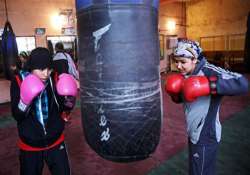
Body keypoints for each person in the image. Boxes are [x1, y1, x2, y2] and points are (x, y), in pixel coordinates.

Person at [165, 38, 249, 175]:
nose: (178, 66)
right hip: (194, 131)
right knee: (197, 170)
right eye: (176, 61)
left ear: (194, 59)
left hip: (206, 135)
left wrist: (208, 85)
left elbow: (242, 83)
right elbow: (185, 97)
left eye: (183, 62)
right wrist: (175, 95)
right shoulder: (186, 74)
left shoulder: (209, 71)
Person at [10, 47, 78, 175]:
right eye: (41, 69)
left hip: (55, 141)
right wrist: (24, 102)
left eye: (49, 69)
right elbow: (17, 116)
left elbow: (65, 108)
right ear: (31, 67)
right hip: (30, 145)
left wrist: (70, 100)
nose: (45, 73)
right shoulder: (19, 81)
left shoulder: (54, 78)